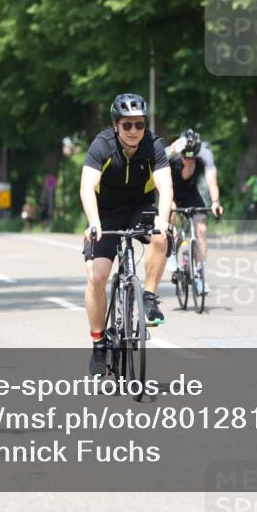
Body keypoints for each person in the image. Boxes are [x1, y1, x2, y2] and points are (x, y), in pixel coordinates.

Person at [80, 93, 173, 377]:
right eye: (128, 125)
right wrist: (94, 222)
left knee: (160, 236)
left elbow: (166, 187)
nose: (134, 131)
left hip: (138, 208)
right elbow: (86, 187)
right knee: (97, 276)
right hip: (105, 213)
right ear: (116, 125)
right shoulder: (102, 145)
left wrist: (165, 221)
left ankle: (149, 298)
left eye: (139, 124)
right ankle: (98, 344)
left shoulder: (153, 145)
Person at [166, 129, 223, 272]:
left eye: (193, 157)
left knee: (201, 230)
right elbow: (152, 165)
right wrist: (171, 152)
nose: (189, 160)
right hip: (170, 190)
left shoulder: (205, 155)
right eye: (186, 156)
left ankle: (200, 269)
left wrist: (216, 202)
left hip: (191, 192)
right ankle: (171, 252)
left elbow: (212, 181)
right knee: (171, 215)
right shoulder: (172, 153)